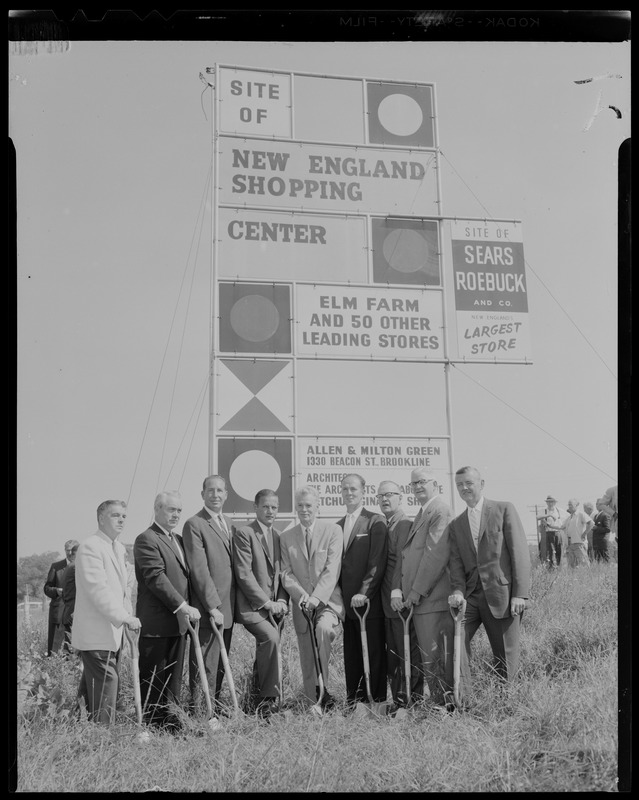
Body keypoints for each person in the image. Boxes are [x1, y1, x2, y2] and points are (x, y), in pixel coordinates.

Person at [447, 466, 531, 699]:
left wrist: (520, 594)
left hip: (502, 596)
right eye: (459, 485)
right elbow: (455, 565)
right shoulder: (456, 524)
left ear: (481, 484)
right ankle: (463, 699)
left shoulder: (503, 509)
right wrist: (457, 591)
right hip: (471, 597)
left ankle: (508, 702)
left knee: (505, 654)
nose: (464, 488)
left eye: (468, 483)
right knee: (455, 638)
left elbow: (520, 553)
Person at [134, 491, 200, 733]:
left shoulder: (179, 540)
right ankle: (149, 725)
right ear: (157, 509)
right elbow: (155, 577)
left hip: (178, 622)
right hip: (157, 622)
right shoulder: (147, 539)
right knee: (153, 676)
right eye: (171, 510)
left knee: (173, 676)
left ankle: (170, 722)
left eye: (179, 511)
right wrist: (182, 606)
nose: (176, 515)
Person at [391, 469, 454, 711]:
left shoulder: (439, 510)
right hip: (420, 601)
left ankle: (445, 707)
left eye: (422, 481)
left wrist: (416, 592)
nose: (417, 486)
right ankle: (440, 704)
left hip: (431, 599)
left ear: (436, 484)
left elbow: (434, 556)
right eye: (413, 483)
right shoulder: (423, 511)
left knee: (435, 658)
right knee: (429, 658)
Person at [72, 501, 140, 724]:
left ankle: (74, 724)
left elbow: (123, 590)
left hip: (115, 634)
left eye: (124, 516)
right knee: (107, 682)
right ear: (101, 518)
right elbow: (97, 590)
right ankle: (103, 738)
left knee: (93, 687)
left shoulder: (118, 548)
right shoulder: (90, 546)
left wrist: (128, 615)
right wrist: (124, 618)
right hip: (96, 633)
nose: (121, 520)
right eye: (115, 515)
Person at [280, 485, 344, 709]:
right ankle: (311, 702)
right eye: (300, 506)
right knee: (307, 654)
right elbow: (285, 573)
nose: (304, 509)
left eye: (308, 505)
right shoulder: (287, 537)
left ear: (318, 506)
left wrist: (316, 598)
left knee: (324, 630)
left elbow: (332, 568)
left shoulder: (333, 531)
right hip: (302, 605)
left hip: (327, 603)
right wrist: (302, 597)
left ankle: (323, 690)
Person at [181, 475, 236, 716]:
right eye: (210, 490)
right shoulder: (195, 523)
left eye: (220, 491)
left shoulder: (230, 523)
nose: (215, 495)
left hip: (229, 607)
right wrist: (213, 606)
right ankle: (202, 714)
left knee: (220, 664)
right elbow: (199, 569)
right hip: (209, 608)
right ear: (202, 494)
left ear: (226, 494)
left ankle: (216, 707)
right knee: (205, 663)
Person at [233, 489, 289, 718]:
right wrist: (267, 603)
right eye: (265, 506)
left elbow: (283, 573)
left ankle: (254, 700)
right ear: (255, 508)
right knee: (270, 638)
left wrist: (283, 600)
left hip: (277, 608)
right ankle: (269, 702)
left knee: (268, 651)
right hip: (252, 606)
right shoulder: (245, 532)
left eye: (274, 507)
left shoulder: (278, 536)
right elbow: (244, 574)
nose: (270, 511)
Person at [337, 474, 388, 707]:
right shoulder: (338, 526)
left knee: (374, 653)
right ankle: (354, 702)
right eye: (345, 489)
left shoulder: (375, 521)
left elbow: (377, 562)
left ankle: (375, 700)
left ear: (363, 492)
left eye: (354, 489)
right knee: (353, 654)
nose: (349, 493)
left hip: (368, 602)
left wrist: (364, 592)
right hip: (347, 604)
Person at [377, 480, 423, 707]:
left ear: (401, 497)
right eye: (380, 496)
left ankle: (411, 701)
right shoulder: (386, 524)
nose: (385, 499)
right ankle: (399, 701)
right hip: (387, 604)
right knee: (394, 655)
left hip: (400, 602)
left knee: (407, 654)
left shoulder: (403, 524)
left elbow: (401, 563)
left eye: (390, 495)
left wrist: (396, 592)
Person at [44, 539, 80, 655]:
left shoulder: (82, 566)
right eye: (67, 550)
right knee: (54, 649)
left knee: (72, 648)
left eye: (72, 551)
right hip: (58, 612)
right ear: (64, 550)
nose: (70, 553)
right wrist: (56, 591)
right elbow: (47, 588)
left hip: (74, 613)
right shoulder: (56, 566)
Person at [559, 498, 593, 568]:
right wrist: (548, 525)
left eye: (571, 505)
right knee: (572, 565)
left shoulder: (581, 514)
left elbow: (591, 523)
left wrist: (584, 534)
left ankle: (587, 577)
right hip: (570, 544)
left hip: (579, 543)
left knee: (584, 563)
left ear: (576, 505)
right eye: (568, 505)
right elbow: (561, 527)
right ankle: (574, 577)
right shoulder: (569, 517)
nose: (569, 507)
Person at [536, 495, 564, 568]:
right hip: (547, 533)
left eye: (551, 502)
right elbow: (537, 517)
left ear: (554, 503)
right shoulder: (544, 511)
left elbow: (565, 520)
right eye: (548, 502)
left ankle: (558, 565)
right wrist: (549, 515)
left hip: (557, 532)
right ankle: (550, 567)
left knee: (558, 550)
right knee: (549, 551)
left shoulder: (559, 511)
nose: (550, 504)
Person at [61, 542, 79, 656]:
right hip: (74, 611)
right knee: (73, 648)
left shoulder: (70, 566)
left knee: (70, 646)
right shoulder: (75, 566)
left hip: (69, 610)